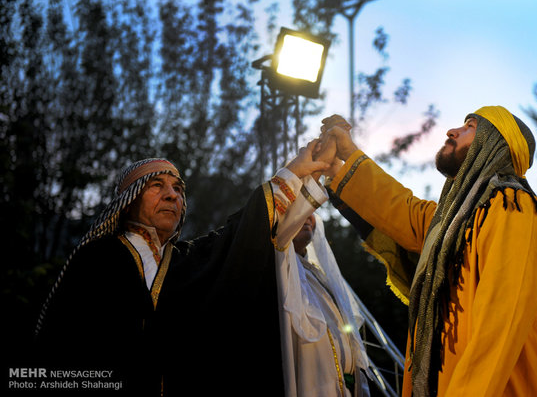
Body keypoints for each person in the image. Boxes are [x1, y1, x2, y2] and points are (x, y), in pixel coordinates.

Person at [34, 141, 334, 396]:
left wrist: (296, 175)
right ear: (128, 201)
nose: (172, 195)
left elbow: (235, 240)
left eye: (178, 189)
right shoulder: (97, 260)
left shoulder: (183, 261)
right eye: (156, 186)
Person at [319, 106, 537, 396]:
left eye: (470, 126)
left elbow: (499, 330)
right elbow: (399, 208)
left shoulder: (516, 210)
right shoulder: (454, 222)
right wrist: (345, 156)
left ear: (493, 144)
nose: (452, 131)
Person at [277, 212, 370, 396]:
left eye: (311, 211)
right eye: (296, 208)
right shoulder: (280, 271)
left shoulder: (318, 274)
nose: (308, 215)